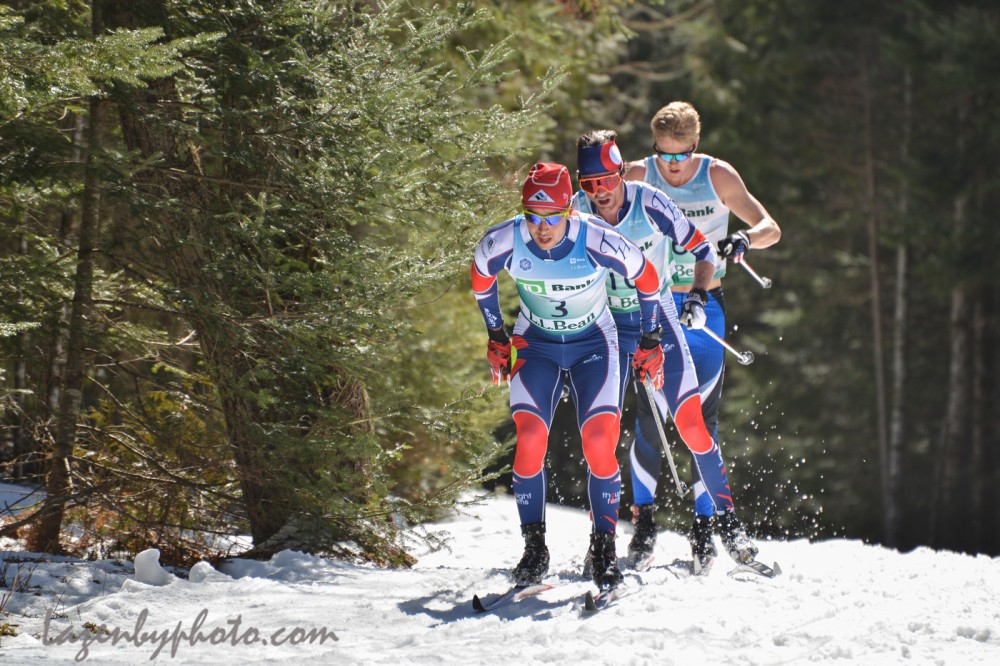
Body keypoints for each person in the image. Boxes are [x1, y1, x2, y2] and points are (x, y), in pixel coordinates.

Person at [471, 162, 666, 591]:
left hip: (594, 344)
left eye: (553, 218)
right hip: (535, 345)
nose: (542, 229)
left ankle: (603, 549)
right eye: (533, 218)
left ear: (569, 212)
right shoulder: (504, 239)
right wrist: (496, 335)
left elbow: (647, 278)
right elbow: (480, 274)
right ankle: (534, 549)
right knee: (530, 438)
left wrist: (650, 339)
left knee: (598, 442)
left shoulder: (595, 237)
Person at [624, 100, 781, 569]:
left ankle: (704, 528)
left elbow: (770, 226)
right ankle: (645, 525)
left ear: (696, 145)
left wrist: (745, 239)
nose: (671, 167)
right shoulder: (637, 173)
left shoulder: (717, 176)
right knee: (650, 417)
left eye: (681, 156)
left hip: (702, 304)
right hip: (649, 306)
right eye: (663, 155)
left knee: (699, 419)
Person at [572, 130, 734, 573]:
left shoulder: (650, 202)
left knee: (685, 419)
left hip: (655, 318)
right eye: (589, 185)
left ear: (622, 172)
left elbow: (702, 247)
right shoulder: (574, 210)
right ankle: (613, 535)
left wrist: (698, 295)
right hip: (603, 323)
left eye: (606, 180)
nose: (599, 193)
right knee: (601, 432)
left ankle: (713, 528)